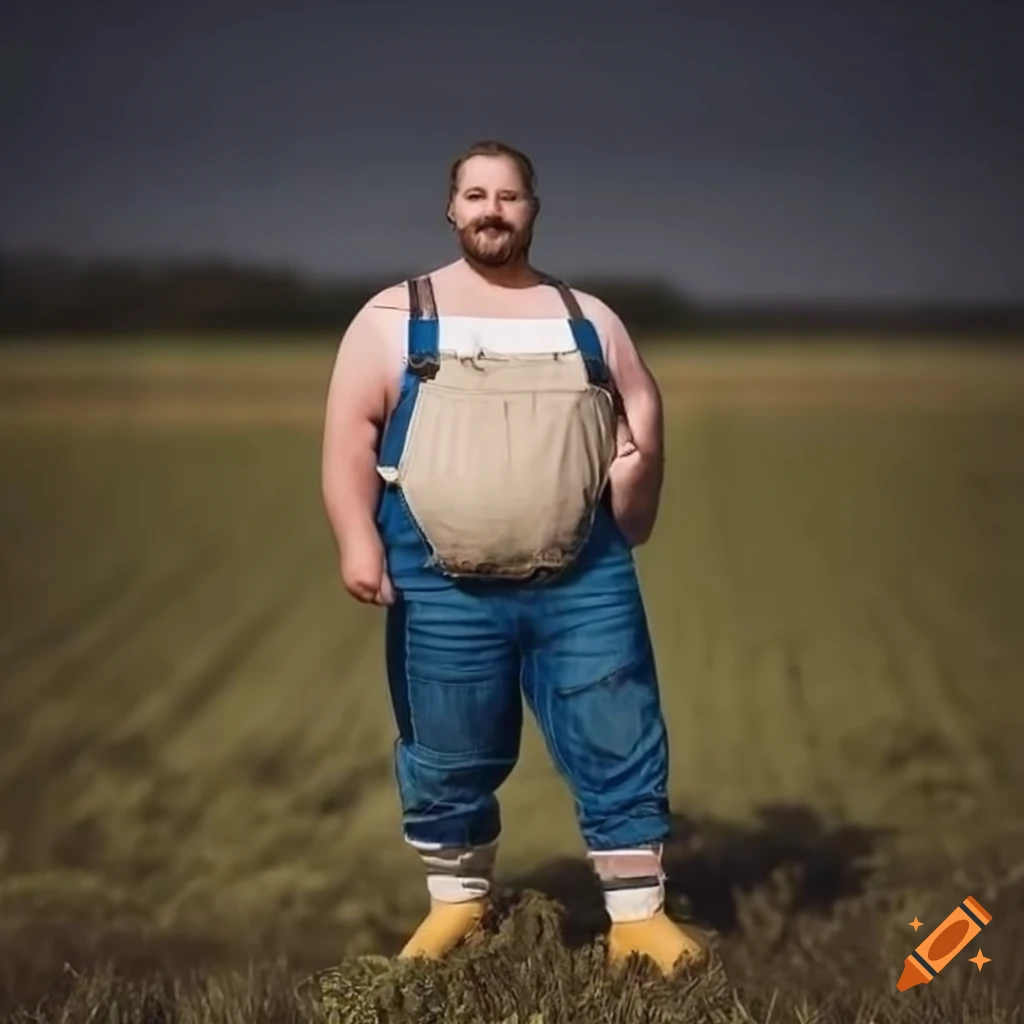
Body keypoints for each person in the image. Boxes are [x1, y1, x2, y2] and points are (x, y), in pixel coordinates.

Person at [321, 139, 707, 976]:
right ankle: (458, 906)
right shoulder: (394, 314)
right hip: (439, 579)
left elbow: (643, 421)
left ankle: (639, 918)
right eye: (476, 195)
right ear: (451, 210)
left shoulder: (589, 317)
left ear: (534, 208)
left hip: (584, 574)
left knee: (619, 726)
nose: (492, 208)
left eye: (510, 195)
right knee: (448, 741)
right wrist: (358, 540)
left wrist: (632, 514)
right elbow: (350, 432)